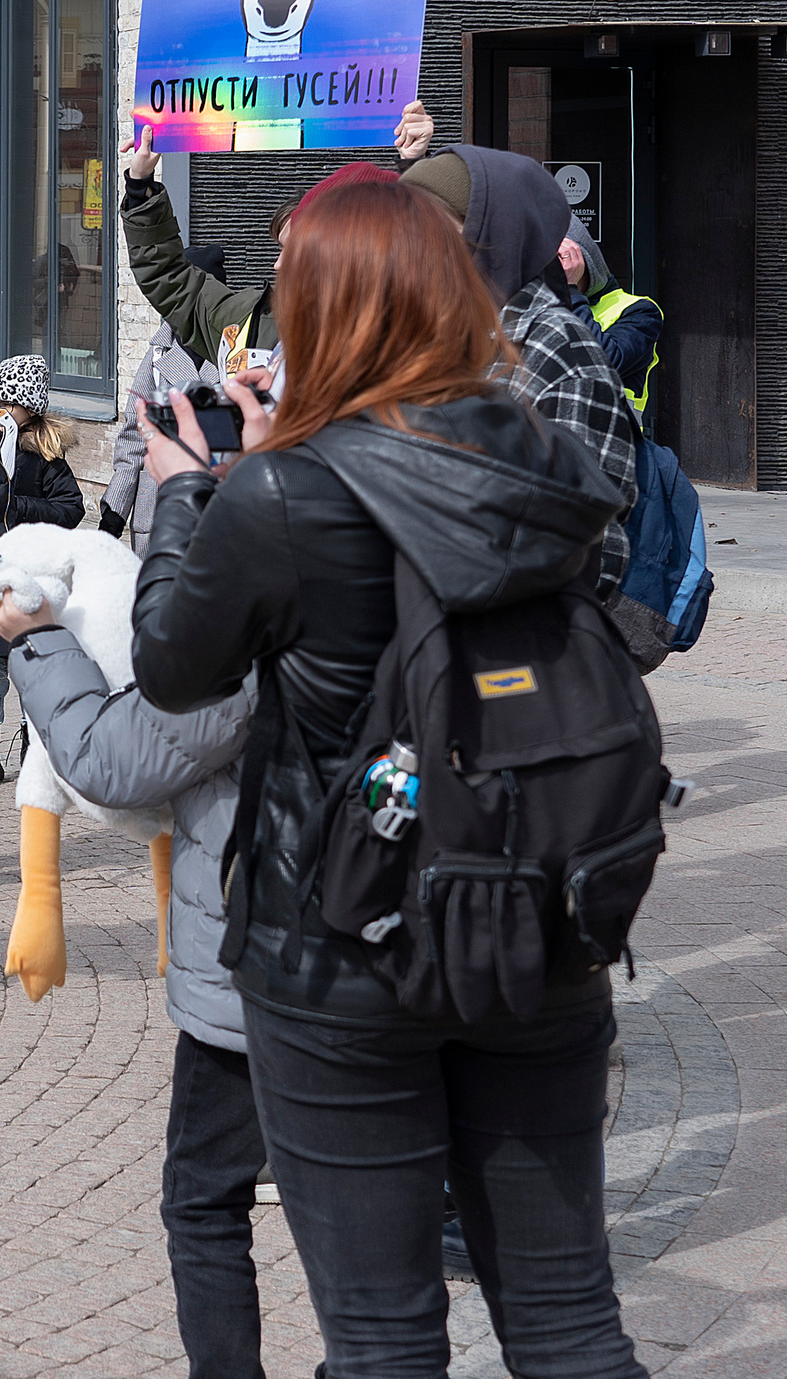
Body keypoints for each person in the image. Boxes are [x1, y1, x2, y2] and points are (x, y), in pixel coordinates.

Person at [129, 174, 642, 1379]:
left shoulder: (280, 495)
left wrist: (186, 496)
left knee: (384, 1337)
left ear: (325, 313)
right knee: (570, 1323)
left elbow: (171, 671)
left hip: (340, 948)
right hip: (533, 918)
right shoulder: (537, 457)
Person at [0, 571, 264, 1377]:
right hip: (424, 957)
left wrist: (36, 638)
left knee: (209, 1201)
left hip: (272, 970)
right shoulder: (453, 557)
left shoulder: (283, 576)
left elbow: (114, 757)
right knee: (375, 1232)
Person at [401, 146, 639, 598]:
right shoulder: (434, 334)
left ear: (494, 235)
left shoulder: (558, 348)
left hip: (510, 646)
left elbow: (590, 545)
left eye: (431, 228)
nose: (410, 245)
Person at [124, 101, 436, 371]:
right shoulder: (254, 321)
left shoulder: (418, 340)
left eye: (299, 249)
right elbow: (173, 282)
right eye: (282, 248)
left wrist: (414, 167)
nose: (278, 265)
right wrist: (141, 186)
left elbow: (432, 262)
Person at [0, 354, 84, 791]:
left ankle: (35, 745)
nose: (0, 413)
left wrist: (18, 508)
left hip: (29, 581)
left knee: (29, 666)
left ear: (29, 409)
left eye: (9, 405)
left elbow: (71, 508)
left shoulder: (42, 457)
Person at [99, 245, 228, 551]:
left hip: (218, 507)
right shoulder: (160, 352)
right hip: (158, 507)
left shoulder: (235, 351)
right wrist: (114, 513)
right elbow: (133, 435)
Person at [561, 216, 662, 422]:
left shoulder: (639, 311)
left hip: (612, 446)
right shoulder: (543, 308)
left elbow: (603, 364)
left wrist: (568, 291)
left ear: (579, 261)